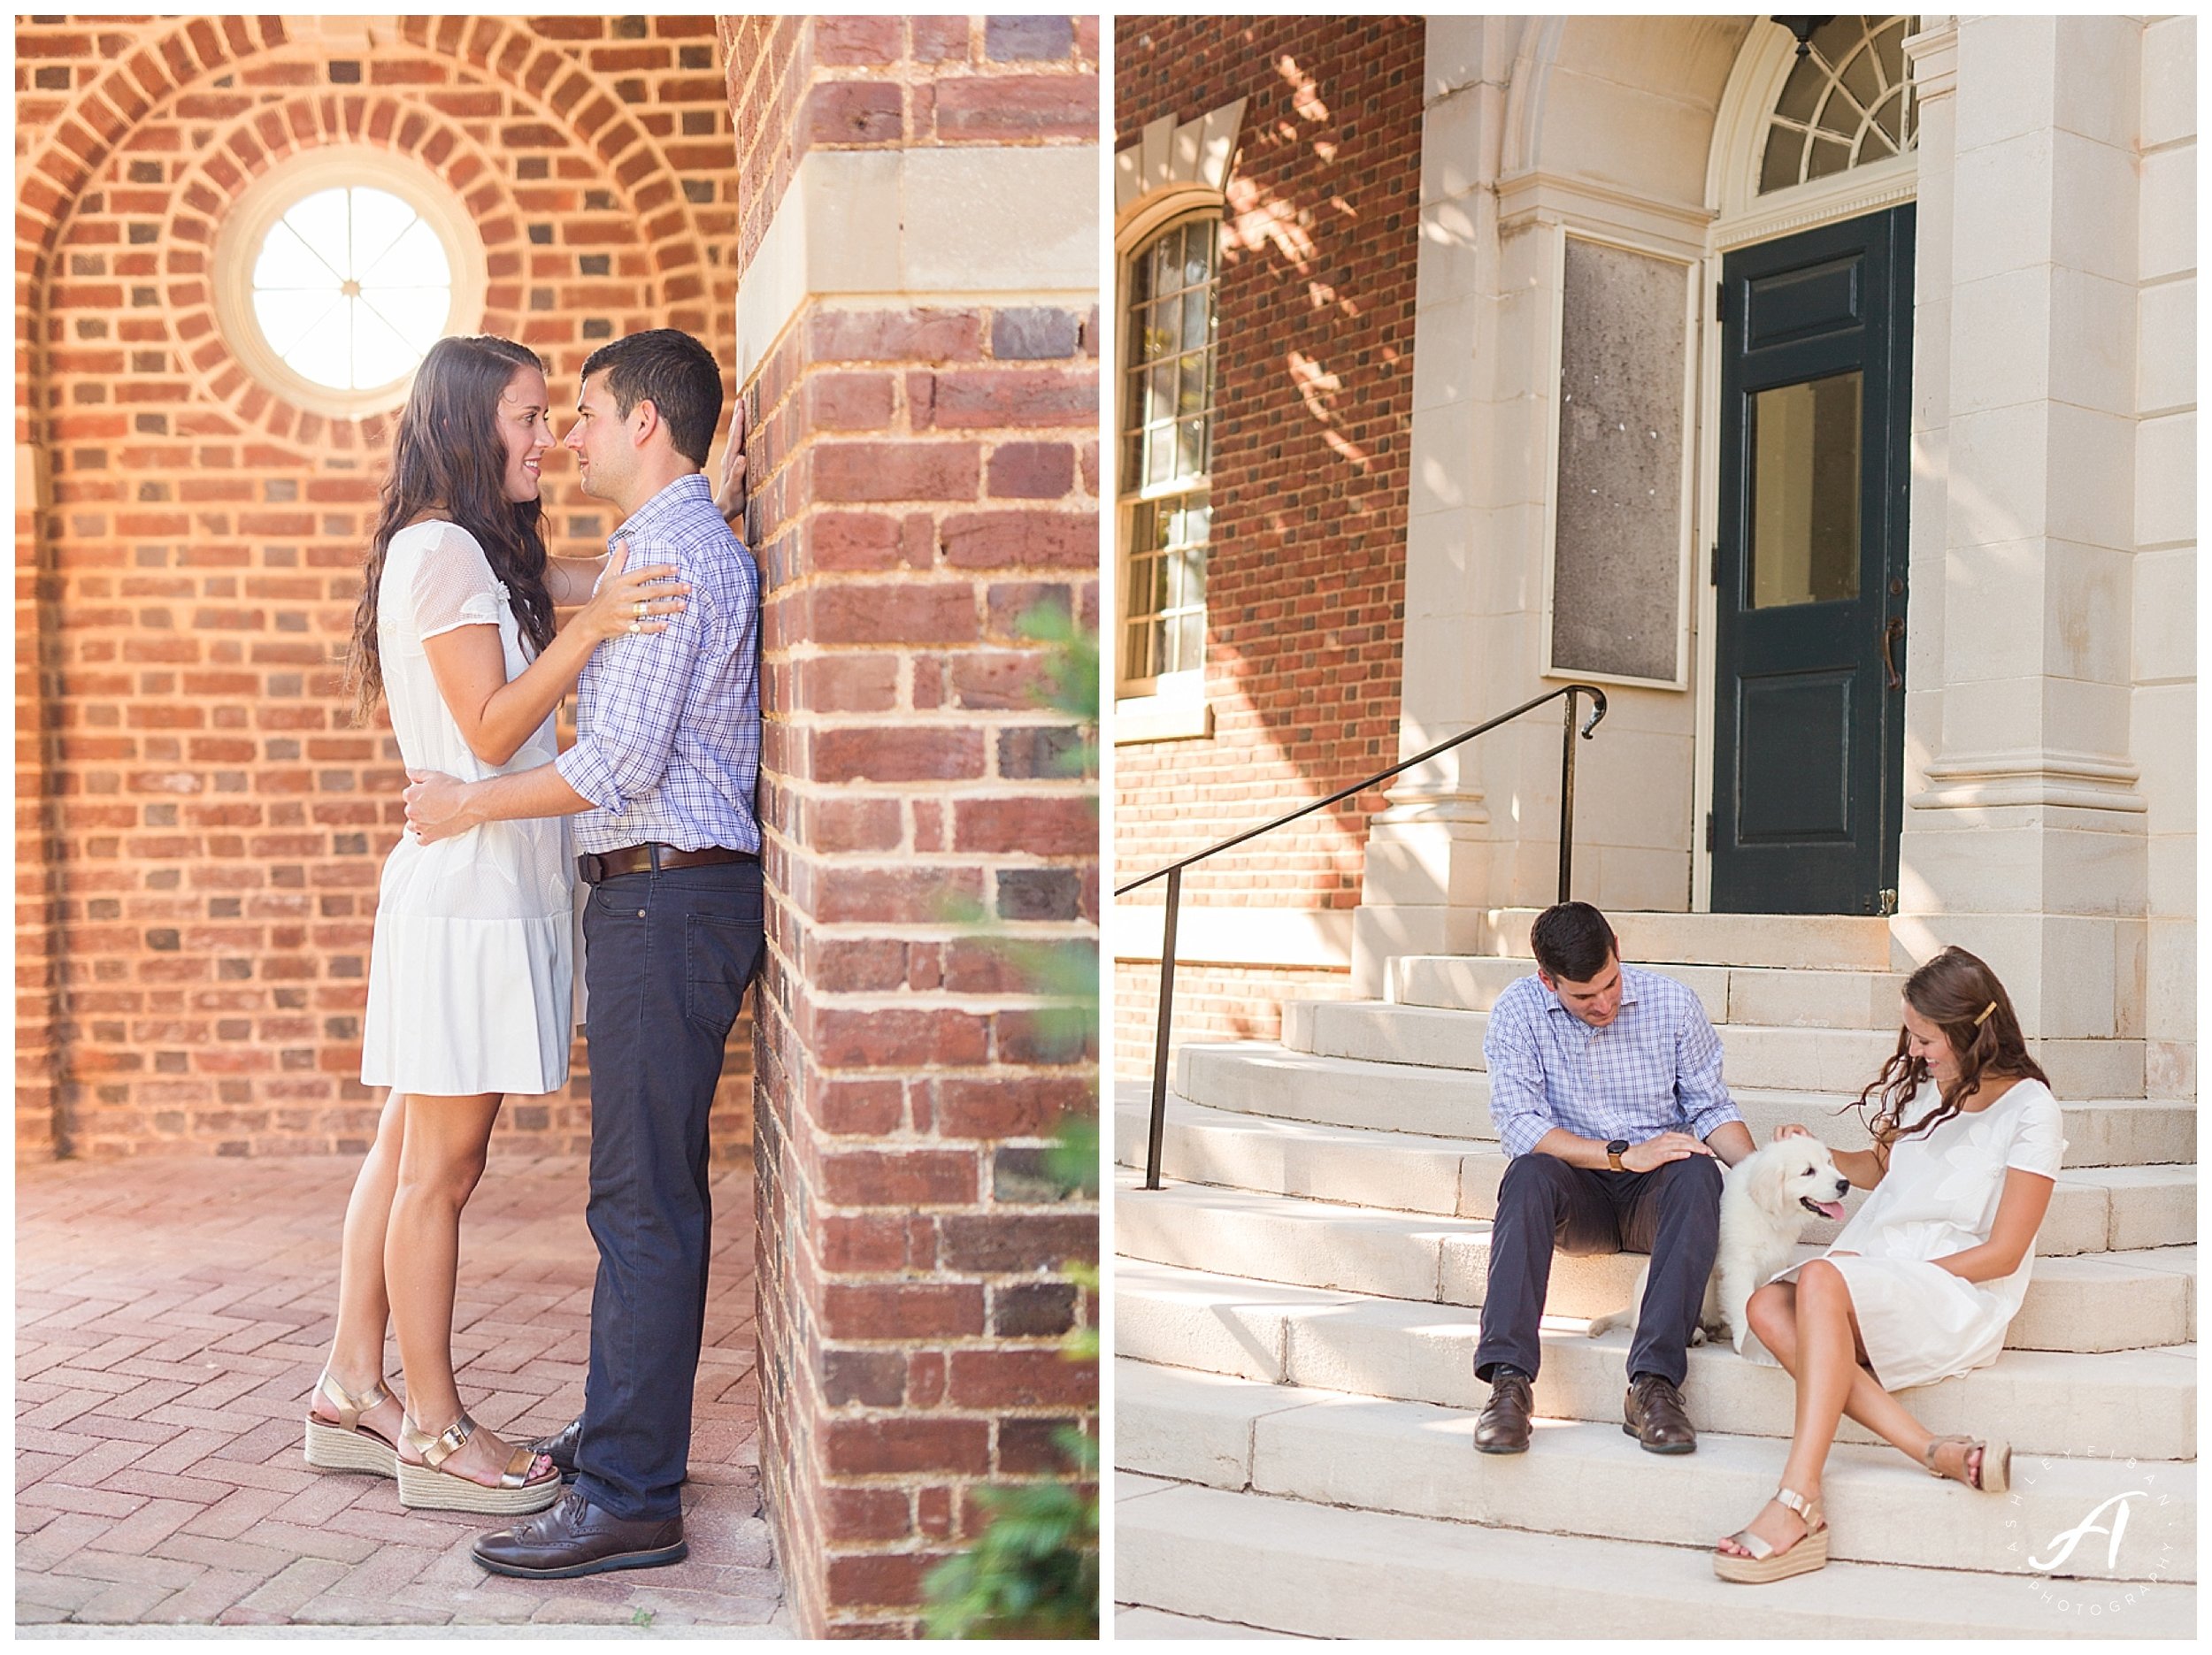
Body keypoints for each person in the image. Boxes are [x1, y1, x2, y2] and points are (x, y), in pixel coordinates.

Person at [303, 334, 690, 1514]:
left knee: (403, 1149)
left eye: (559, 417)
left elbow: (579, 581)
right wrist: (594, 629)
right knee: (443, 1169)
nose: (550, 438)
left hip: (478, 891)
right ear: (475, 427)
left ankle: (347, 1385)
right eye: (531, 417)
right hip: (465, 902)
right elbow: (485, 728)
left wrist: (651, 545)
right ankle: (431, 1425)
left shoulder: (473, 550)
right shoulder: (437, 552)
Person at [402, 328, 764, 1580]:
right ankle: (622, 1445)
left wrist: (465, 803)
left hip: (668, 903)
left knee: (643, 1201)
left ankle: (629, 1495)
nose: (570, 438)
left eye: (590, 415)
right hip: (658, 900)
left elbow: (614, 766)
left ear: (648, 426)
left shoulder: (663, 552)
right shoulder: (646, 552)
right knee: (639, 1195)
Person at [1713, 946, 2062, 1584]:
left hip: (1953, 1284)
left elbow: (2006, 1251)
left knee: (1820, 1276)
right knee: (1766, 1303)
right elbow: (1878, 1167)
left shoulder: (2031, 1108)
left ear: (1968, 1030)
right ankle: (1932, 1450)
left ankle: (1797, 1498)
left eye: (1926, 1037)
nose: (1915, 1048)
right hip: (1878, 1267)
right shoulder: (1930, 1090)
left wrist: (1908, 1276)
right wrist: (1813, 1155)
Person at [1471, 901, 1755, 1455]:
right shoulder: (1516, 1012)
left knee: (1699, 1174)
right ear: (1546, 980)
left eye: (1610, 983)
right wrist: (1623, 1155)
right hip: (1579, 1194)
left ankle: (1653, 1385)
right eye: (1583, 996)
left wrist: (1765, 1176)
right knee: (1526, 1174)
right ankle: (1508, 1384)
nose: (1603, 1003)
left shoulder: (1672, 1003)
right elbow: (1521, 1125)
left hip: (1658, 1197)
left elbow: (1710, 1108)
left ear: (1617, 951)